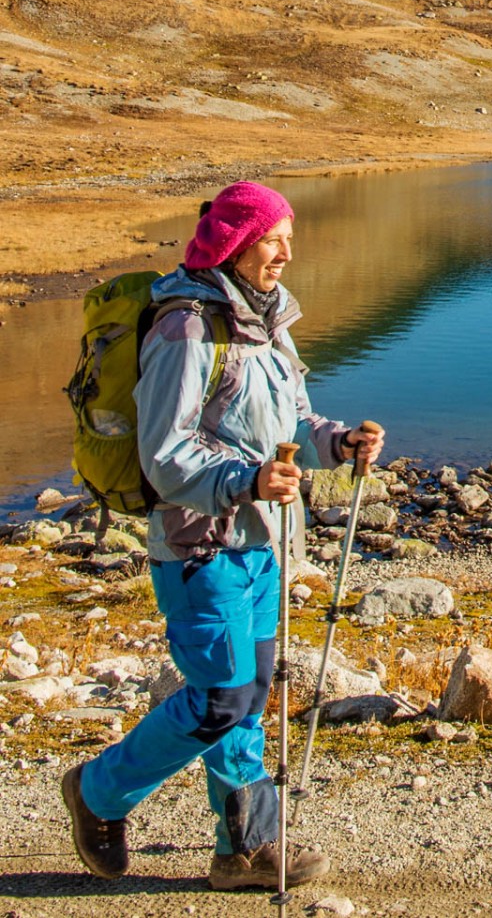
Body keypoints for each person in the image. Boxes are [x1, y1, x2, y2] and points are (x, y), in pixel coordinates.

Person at [60, 181, 384, 890]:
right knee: (221, 696)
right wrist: (245, 481)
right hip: (198, 545)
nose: (286, 253)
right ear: (237, 243)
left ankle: (244, 846)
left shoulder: (268, 321)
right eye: (274, 239)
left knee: (251, 685)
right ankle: (97, 792)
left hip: (261, 544)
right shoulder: (185, 327)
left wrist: (340, 443)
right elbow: (166, 453)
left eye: (288, 239)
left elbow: (294, 422)